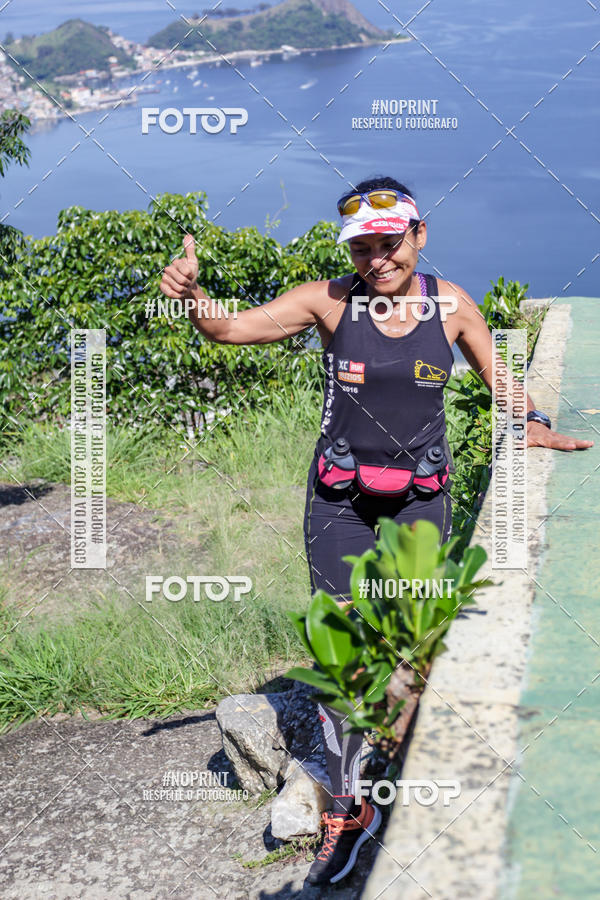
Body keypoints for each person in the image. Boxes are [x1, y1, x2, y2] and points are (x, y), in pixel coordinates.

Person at [160, 175, 593, 886]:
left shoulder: (451, 306)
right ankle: (345, 809)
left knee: (413, 647)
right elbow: (231, 328)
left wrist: (535, 424)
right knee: (342, 656)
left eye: (389, 243)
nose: (376, 258)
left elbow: (496, 375)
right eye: (362, 246)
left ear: (418, 237)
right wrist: (192, 297)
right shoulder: (328, 300)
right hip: (339, 501)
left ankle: (401, 772)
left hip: (420, 501)